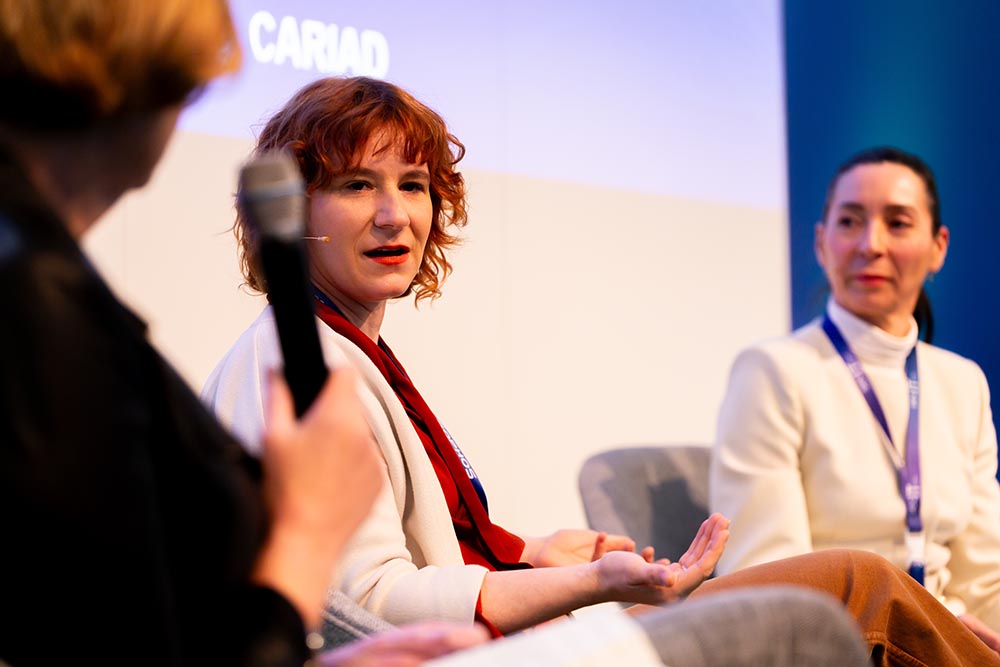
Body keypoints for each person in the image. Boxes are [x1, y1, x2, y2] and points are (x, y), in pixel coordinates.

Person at [205, 77, 1000, 665]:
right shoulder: (295, 358)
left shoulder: (349, 348)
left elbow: (425, 561)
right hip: (483, 656)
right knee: (858, 583)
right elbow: (369, 602)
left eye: (412, 185)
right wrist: (589, 585)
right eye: (357, 185)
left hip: (518, 641)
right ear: (293, 210)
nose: (394, 214)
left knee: (862, 588)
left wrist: (535, 552)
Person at [0, 3, 493, 666]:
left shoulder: (42, 280)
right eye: (189, 87)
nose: (392, 214)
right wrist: (306, 533)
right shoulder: (38, 302)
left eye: (414, 185)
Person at [710, 146, 1000, 654]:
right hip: (844, 643)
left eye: (898, 223)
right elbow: (768, 577)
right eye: (850, 222)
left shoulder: (962, 382)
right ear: (821, 244)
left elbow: (985, 577)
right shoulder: (773, 370)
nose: (871, 244)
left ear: (938, 247)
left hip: (948, 639)